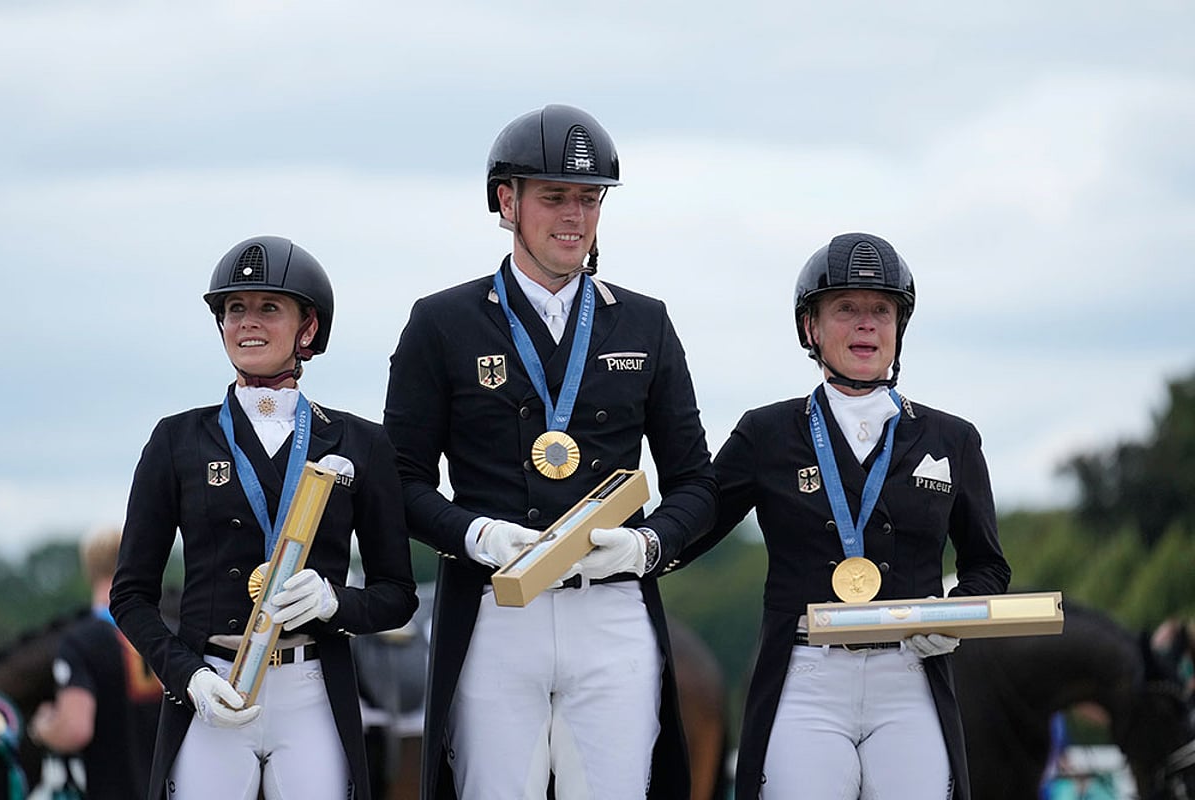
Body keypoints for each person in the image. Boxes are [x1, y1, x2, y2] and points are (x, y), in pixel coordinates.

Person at [383, 104, 717, 799]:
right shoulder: (441, 322)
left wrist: (647, 547)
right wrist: (475, 534)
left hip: (613, 610)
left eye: (589, 199)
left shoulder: (646, 323)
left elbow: (697, 486)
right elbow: (402, 483)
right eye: (555, 197)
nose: (575, 216)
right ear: (507, 201)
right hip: (497, 614)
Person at [681, 232, 1012, 799]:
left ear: (899, 327)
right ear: (810, 327)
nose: (866, 324)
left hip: (909, 672)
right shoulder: (766, 433)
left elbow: (987, 567)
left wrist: (953, 615)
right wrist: (634, 544)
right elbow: (697, 522)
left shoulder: (952, 439)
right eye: (846, 309)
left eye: (881, 310)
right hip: (807, 674)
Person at [109, 235, 419, 800]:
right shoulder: (176, 440)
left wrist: (335, 602)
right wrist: (188, 678)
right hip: (214, 688)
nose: (247, 323)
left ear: (308, 329)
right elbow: (130, 595)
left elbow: (398, 594)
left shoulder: (360, 443)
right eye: (235, 309)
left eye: (268, 308)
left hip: (312, 690)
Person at [29, 526, 162, 799]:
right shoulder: (168, 633)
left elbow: (76, 730)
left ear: (90, 570)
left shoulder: (80, 642)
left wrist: (42, 728)